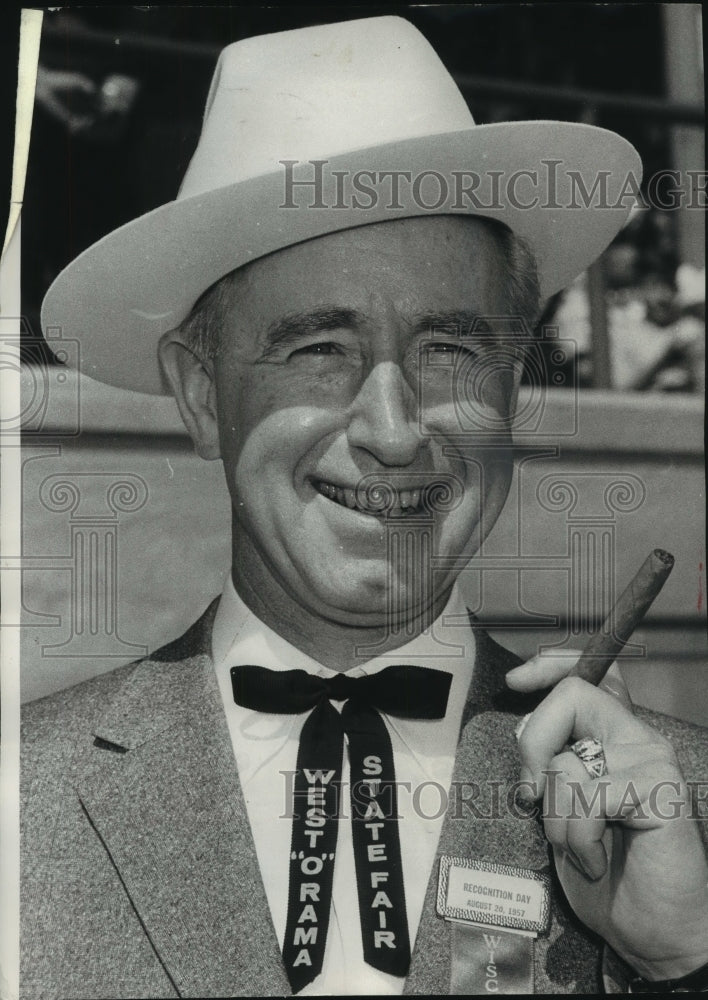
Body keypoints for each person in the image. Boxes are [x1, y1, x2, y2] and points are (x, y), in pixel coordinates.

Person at [21, 15, 708, 997]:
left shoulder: (684, 813)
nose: (392, 429)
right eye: (316, 349)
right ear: (201, 393)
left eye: (450, 350)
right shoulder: (22, 797)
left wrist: (682, 965)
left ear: (513, 387)